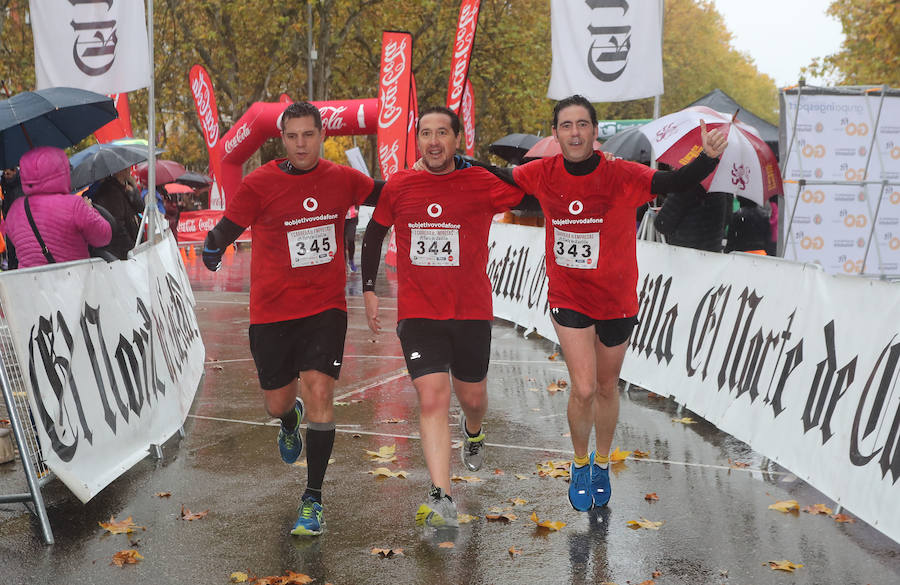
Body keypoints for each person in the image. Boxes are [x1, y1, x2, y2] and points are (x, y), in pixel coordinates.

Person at [488, 95, 726, 512]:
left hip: (616, 297)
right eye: (566, 125)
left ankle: (601, 461)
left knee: (605, 386)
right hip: (569, 294)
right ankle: (579, 463)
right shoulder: (541, 172)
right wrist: (449, 164)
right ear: (556, 132)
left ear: (595, 132)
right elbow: (498, 175)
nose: (575, 132)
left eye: (582, 124)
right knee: (582, 387)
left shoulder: (620, 173)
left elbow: (672, 184)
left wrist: (706, 160)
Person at [200, 102, 382, 537]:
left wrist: (440, 175)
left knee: (321, 392)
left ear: (322, 136)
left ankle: (313, 498)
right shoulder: (261, 182)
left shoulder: (341, 178)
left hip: (325, 308)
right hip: (273, 311)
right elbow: (230, 223)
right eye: (293, 136)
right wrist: (212, 244)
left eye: (309, 135)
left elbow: (386, 192)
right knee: (276, 402)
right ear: (282, 139)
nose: (301, 143)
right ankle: (288, 419)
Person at [361, 106, 525, 529]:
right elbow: (375, 232)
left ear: (457, 141)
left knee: (472, 398)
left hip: (470, 311)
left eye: (443, 134)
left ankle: (474, 430)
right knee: (432, 398)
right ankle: (440, 495)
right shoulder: (399, 185)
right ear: (417, 141)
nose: (433, 142)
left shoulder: (479, 182)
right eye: (426, 134)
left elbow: (524, 187)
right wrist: (369, 289)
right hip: (419, 314)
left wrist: (478, 164)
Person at [3, 146, 111, 268]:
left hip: (33, 284)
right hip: (75, 281)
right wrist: (90, 210)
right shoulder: (74, 204)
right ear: (61, 169)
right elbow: (103, 237)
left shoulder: (15, 210)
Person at [653, 184, 731, 252]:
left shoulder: (686, 185)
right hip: (712, 254)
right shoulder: (723, 189)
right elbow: (727, 219)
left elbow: (662, 224)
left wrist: (661, 212)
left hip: (684, 255)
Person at [91, 168, 143, 259]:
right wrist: (132, 250)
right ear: (119, 170)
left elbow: (141, 207)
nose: (129, 170)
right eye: (126, 168)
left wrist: (134, 190)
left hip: (130, 247)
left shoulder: (126, 187)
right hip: (121, 253)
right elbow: (118, 226)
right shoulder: (110, 192)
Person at [344, 204, 359, 271]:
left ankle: (351, 260)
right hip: (341, 217)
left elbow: (357, 197)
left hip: (352, 217)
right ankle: (344, 263)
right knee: (342, 241)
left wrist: (357, 209)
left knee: (351, 239)